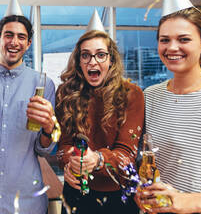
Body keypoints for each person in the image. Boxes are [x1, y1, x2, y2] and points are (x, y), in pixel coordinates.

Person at [136, 6, 201, 213]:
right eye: (164, 40)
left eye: (184, 39)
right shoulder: (150, 96)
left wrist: (188, 201)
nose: (172, 47)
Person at [0, 14, 57, 214]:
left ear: (28, 44)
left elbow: (44, 149)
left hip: (27, 202)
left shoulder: (43, 85)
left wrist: (48, 128)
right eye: (9, 35)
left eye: (21, 37)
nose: (14, 42)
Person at [56, 29, 144, 213]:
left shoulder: (132, 94)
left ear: (111, 60)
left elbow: (127, 154)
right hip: (76, 193)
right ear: (79, 62)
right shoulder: (65, 94)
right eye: (85, 55)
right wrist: (68, 163)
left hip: (119, 196)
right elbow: (63, 146)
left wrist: (98, 159)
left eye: (100, 55)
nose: (92, 61)